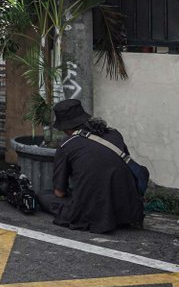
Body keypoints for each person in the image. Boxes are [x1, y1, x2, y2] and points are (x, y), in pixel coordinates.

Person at [37, 99, 144, 234]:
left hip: (94, 215)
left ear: (66, 127)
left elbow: (60, 192)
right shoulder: (114, 134)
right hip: (129, 210)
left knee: (44, 195)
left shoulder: (67, 145)